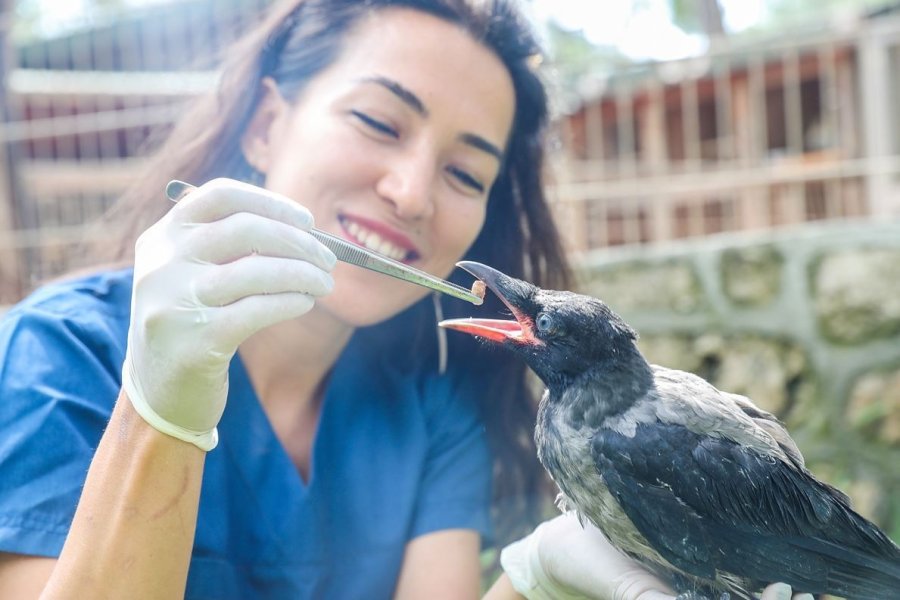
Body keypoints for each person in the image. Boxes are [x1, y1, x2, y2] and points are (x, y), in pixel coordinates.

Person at [0, 1, 809, 598]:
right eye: (378, 121)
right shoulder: (60, 356)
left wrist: (533, 586)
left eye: (465, 173)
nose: (412, 192)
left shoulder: (432, 401)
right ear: (266, 125)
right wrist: (157, 418)